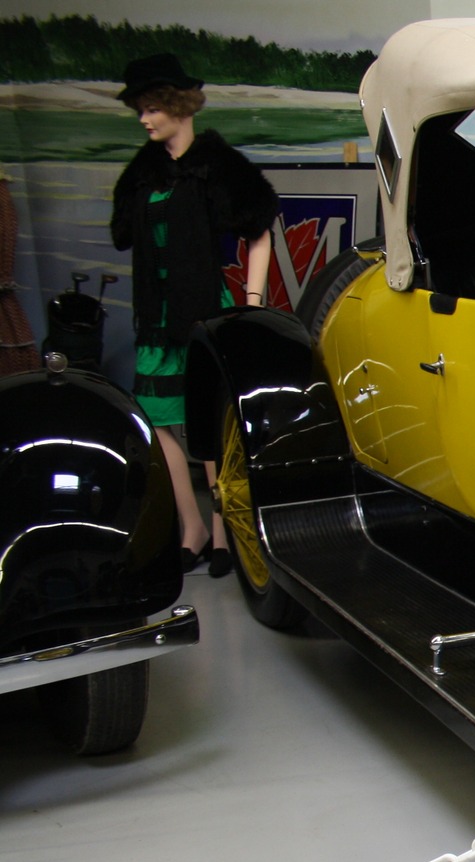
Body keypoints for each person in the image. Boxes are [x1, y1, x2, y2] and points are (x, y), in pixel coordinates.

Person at [110, 53, 278, 577]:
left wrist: (250, 303)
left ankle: (225, 530)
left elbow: (259, 230)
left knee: (206, 426)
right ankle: (193, 526)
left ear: (180, 107)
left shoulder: (217, 165)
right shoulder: (143, 172)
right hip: (156, 318)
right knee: (162, 425)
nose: (145, 118)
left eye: (153, 107)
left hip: (203, 314)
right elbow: (125, 235)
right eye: (141, 108)